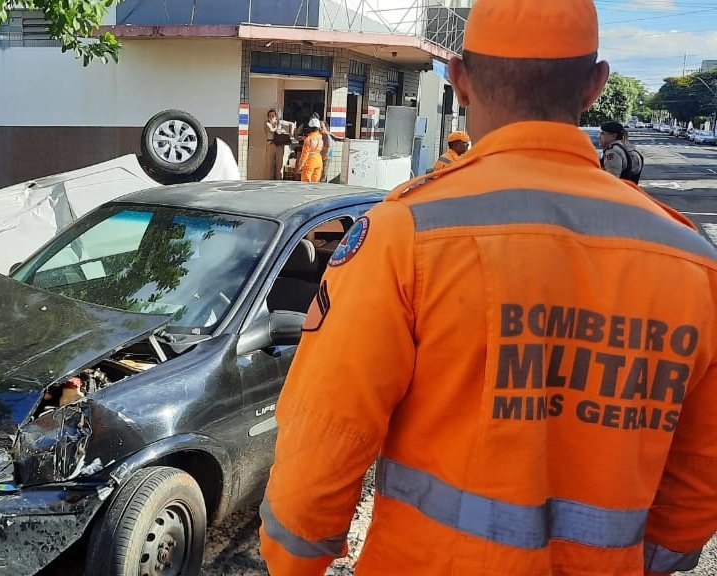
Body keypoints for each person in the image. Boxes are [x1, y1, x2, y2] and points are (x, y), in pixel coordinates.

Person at [259, 1, 717, 575]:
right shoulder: (695, 263)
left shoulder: (408, 234)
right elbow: (699, 480)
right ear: (595, 86)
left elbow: (324, 438)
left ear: (460, 79)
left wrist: (292, 564)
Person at [265, 109, 295, 180]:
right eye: (270, 116)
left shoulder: (280, 122)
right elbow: (271, 129)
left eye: (273, 116)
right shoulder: (267, 123)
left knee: (279, 165)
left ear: (276, 116)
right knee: (270, 165)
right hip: (271, 144)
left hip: (279, 145)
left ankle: (279, 180)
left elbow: (292, 124)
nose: (271, 118)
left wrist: (291, 134)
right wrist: (278, 128)